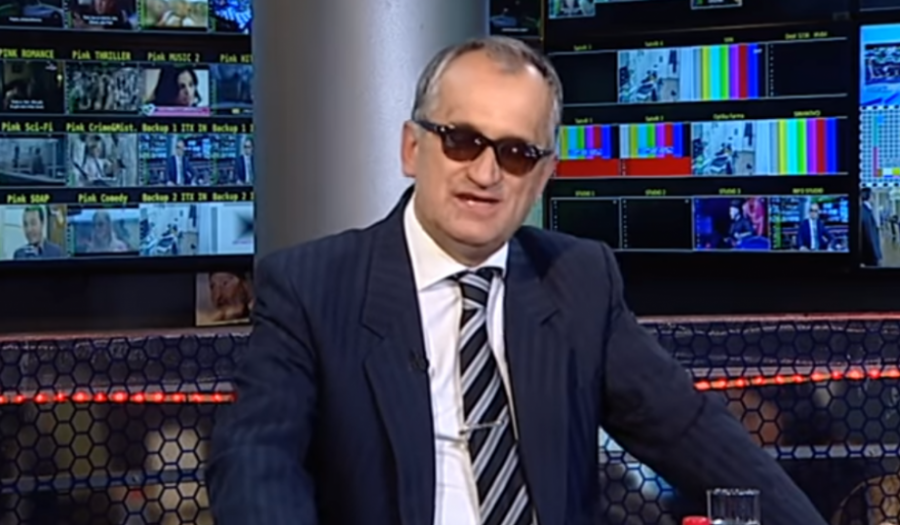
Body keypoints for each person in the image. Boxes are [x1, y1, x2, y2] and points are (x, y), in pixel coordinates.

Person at [206, 36, 828, 525]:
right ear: (411, 149)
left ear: (543, 176)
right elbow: (256, 462)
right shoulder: (314, 286)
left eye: (516, 153)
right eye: (461, 140)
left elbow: (690, 432)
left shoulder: (578, 279)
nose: (485, 174)